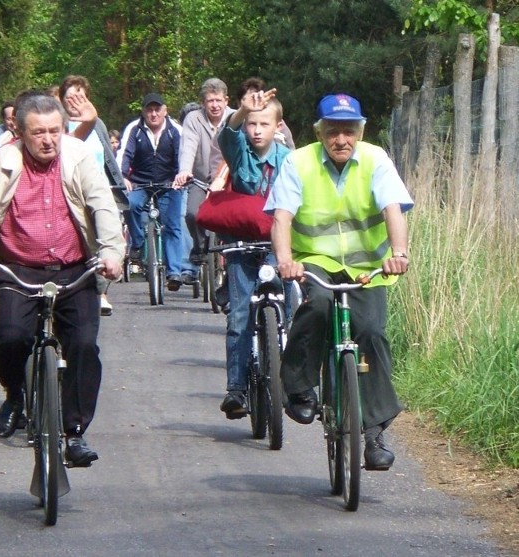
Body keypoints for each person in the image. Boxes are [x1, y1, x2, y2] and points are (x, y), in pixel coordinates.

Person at [0, 93, 124, 466]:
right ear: (19, 131)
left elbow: (102, 204)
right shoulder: (4, 160)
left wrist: (112, 253)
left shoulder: (79, 156)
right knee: (10, 337)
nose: (48, 139)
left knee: (84, 344)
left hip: (74, 267)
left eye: (55, 130)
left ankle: (75, 432)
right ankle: (15, 396)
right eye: (38, 132)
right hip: (18, 268)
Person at [266, 93, 413, 471]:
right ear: (320, 133)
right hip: (314, 261)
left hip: (367, 266)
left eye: (349, 131)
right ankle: (299, 388)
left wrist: (399, 253)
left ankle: (375, 435)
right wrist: (285, 261)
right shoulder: (299, 162)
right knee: (315, 306)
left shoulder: (376, 159)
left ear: (360, 132)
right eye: (333, 131)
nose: (341, 139)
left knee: (372, 332)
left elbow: (392, 208)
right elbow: (281, 216)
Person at [215, 89, 291, 419]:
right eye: (252, 123)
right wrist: (241, 112)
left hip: (277, 245)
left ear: (278, 127)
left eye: (264, 124)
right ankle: (236, 389)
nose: (257, 130)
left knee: (290, 308)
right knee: (240, 316)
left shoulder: (291, 160)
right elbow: (226, 136)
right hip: (241, 245)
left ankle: (291, 380)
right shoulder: (240, 151)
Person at [59, 75, 128, 316]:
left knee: (104, 239)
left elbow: (108, 158)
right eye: (70, 97)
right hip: (71, 192)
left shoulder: (97, 124)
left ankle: (102, 292)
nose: (75, 102)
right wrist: (85, 122)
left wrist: (120, 182)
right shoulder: (59, 125)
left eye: (80, 96)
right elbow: (67, 149)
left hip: (98, 189)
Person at [118, 92, 191, 291]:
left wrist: (181, 174)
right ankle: (138, 242)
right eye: (149, 110)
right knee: (130, 204)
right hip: (140, 183)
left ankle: (174, 272)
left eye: (157, 109)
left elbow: (183, 155)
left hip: (169, 183)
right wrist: (123, 176)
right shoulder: (134, 129)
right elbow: (124, 154)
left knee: (173, 225)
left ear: (165, 111)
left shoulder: (175, 130)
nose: (153, 114)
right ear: (143, 112)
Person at [174, 78, 235, 265]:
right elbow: (188, 147)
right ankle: (199, 246)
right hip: (200, 179)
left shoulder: (235, 117)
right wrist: (184, 170)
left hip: (229, 180)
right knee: (192, 213)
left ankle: (231, 253)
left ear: (226, 100)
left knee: (233, 218)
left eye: (218, 100)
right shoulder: (194, 119)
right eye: (210, 101)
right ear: (203, 102)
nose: (215, 105)